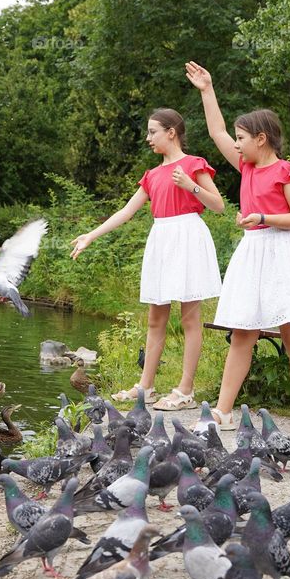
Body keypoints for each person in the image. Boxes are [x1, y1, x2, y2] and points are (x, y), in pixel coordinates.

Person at [185, 60, 290, 439]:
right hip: (254, 253)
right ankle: (223, 411)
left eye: (242, 138)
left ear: (261, 139)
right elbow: (216, 130)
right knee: (242, 334)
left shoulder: (286, 172)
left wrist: (263, 217)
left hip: (284, 253)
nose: (236, 144)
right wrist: (207, 90)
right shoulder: (247, 168)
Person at [70, 108, 225, 410]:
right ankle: (146, 386)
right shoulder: (152, 175)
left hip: (188, 237)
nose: (148, 138)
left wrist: (190, 185)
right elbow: (126, 212)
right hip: (162, 240)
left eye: (153, 131)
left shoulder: (194, 165)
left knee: (190, 317)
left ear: (171, 132)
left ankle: (185, 389)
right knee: (156, 318)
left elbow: (218, 205)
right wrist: (91, 235)